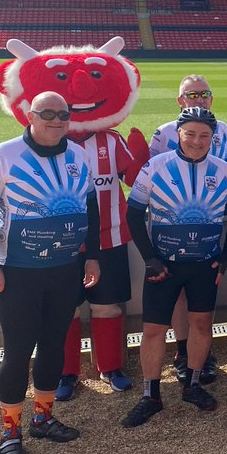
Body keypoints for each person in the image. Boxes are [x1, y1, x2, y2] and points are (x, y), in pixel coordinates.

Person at [0, 91, 101, 454]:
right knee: (17, 350)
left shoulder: (79, 155)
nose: (57, 120)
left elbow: (90, 208)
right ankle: (10, 432)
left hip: (64, 268)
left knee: (54, 345)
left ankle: (42, 418)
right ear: (30, 115)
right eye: (48, 113)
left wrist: (91, 255)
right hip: (18, 271)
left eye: (64, 114)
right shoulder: (2, 155)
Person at [120, 107, 227, 428]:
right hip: (164, 266)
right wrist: (150, 258)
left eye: (205, 135)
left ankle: (191, 386)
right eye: (190, 133)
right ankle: (151, 395)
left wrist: (226, 258)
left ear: (213, 138)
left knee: (203, 326)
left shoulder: (224, 171)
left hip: (204, 264)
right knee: (153, 330)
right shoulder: (155, 166)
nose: (197, 140)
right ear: (178, 134)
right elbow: (133, 214)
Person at [148, 74, 227, 387]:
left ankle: (202, 354)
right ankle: (182, 352)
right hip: (173, 225)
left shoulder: (222, 129)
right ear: (180, 100)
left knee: (204, 293)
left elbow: (225, 170)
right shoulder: (163, 133)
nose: (198, 98)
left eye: (204, 93)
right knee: (180, 295)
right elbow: (151, 176)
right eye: (191, 94)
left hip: (210, 220)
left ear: (211, 98)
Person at [56, 101, 142, 401]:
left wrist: (140, 157)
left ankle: (111, 367)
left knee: (107, 307)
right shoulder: (52, 139)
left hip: (110, 238)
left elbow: (133, 179)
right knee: (63, 310)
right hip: (64, 242)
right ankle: (66, 372)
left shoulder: (111, 139)